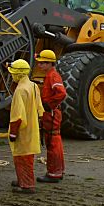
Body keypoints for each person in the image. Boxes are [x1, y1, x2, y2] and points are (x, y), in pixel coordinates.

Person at [8, 59, 44, 194]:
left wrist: (13, 133)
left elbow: (17, 116)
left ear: (18, 74)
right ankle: (22, 179)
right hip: (33, 128)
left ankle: (27, 185)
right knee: (27, 156)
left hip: (23, 130)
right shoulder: (33, 86)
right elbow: (40, 108)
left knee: (22, 157)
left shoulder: (20, 90)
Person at [35, 50, 67, 183]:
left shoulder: (53, 76)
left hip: (52, 113)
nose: (39, 66)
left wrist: (49, 105)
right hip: (51, 112)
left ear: (49, 63)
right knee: (53, 141)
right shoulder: (50, 75)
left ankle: (53, 173)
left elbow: (62, 93)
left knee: (52, 142)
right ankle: (57, 171)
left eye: (42, 63)